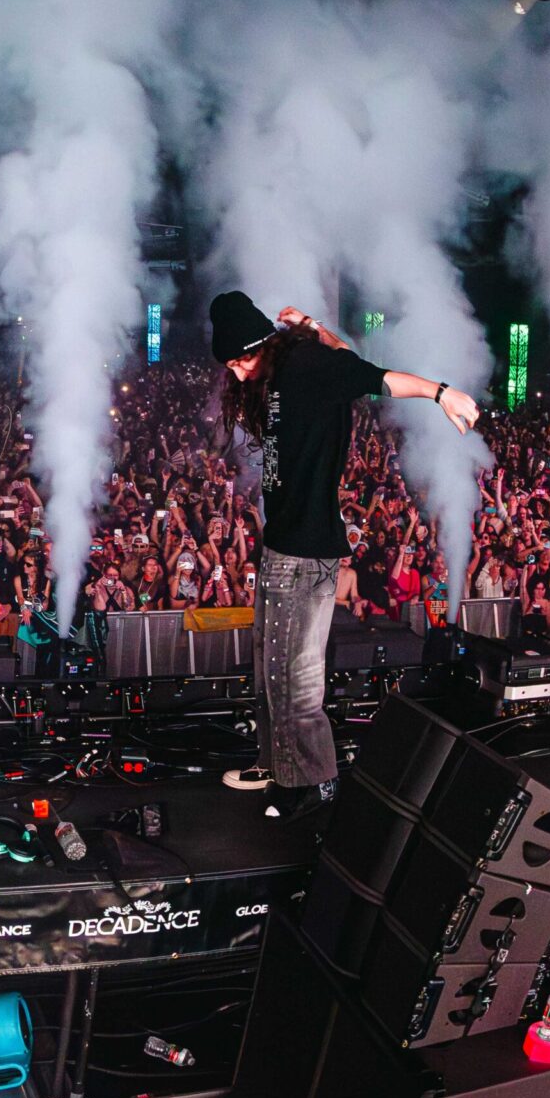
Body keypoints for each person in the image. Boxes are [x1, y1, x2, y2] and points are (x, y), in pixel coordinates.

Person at [212, 291, 478, 820]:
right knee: (268, 668)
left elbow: (373, 375)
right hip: (283, 543)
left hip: (304, 551)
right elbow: (344, 353)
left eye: (241, 361)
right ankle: (275, 763)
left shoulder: (306, 365)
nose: (238, 374)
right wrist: (312, 322)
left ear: (260, 344)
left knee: (295, 677)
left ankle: (312, 783)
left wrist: (440, 392)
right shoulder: (295, 360)